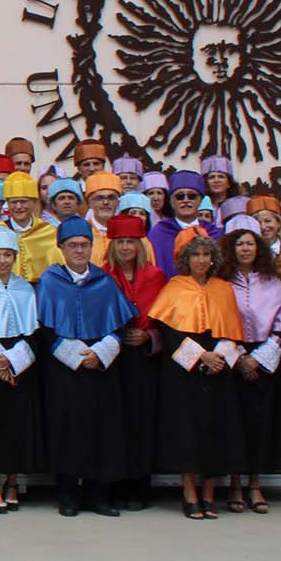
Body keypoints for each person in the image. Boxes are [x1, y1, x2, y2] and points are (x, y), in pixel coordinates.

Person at [35, 217, 136, 517]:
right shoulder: (49, 281)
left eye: (84, 245)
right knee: (66, 429)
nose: (79, 250)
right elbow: (44, 328)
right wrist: (75, 355)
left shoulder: (104, 282)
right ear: (61, 248)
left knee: (102, 430)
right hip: (64, 370)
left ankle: (99, 494)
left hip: (100, 367)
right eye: (73, 245)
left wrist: (100, 353)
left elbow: (119, 325)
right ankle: (68, 494)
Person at [148, 235, 245, 519]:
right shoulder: (174, 288)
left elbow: (231, 330)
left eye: (206, 254)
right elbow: (169, 332)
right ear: (185, 260)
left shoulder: (223, 288)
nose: (201, 260)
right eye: (195, 255)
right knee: (186, 431)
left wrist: (219, 357)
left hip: (217, 369)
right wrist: (201, 355)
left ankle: (210, 494)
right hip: (184, 369)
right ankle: (189, 492)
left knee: (216, 429)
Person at [219, 216, 281, 514]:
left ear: (258, 247)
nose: (245, 249)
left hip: (264, 359)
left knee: (260, 425)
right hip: (232, 358)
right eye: (239, 244)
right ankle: (234, 484)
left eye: (250, 243)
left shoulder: (273, 282)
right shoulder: (221, 281)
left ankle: (255, 484)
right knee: (234, 424)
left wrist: (258, 359)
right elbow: (215, 324)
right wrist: (239, 358)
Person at [0, 226, 42, 513]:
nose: (2, 260)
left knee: (18, 423)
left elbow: (34, 330)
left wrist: (14, 360)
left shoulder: (25, 287)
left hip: (21, 359)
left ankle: (13, 481)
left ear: (15, 257)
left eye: (7, 255)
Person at [102, 213, 165, 511]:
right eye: (120, 242)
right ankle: (115, 484)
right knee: (115, 421)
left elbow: (167, 319)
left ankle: (140, 484)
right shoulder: (101, 276)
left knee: (142, 420)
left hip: (142, 358)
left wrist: (150, 336)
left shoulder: (156, 276)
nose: (126, 247)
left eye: (131, 241)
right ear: (111, 245)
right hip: (113, 357)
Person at [149, 170, 219, 277]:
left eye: (192, 196)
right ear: (171, 202)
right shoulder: (158, 234)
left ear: (200, 201)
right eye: (180, 196)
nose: (186, 200)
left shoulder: (214, 233)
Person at [0, 172, 58, 281]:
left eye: (23, 201)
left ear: (34, 202)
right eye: (13, 202)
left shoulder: (48, 232)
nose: (18, 207)